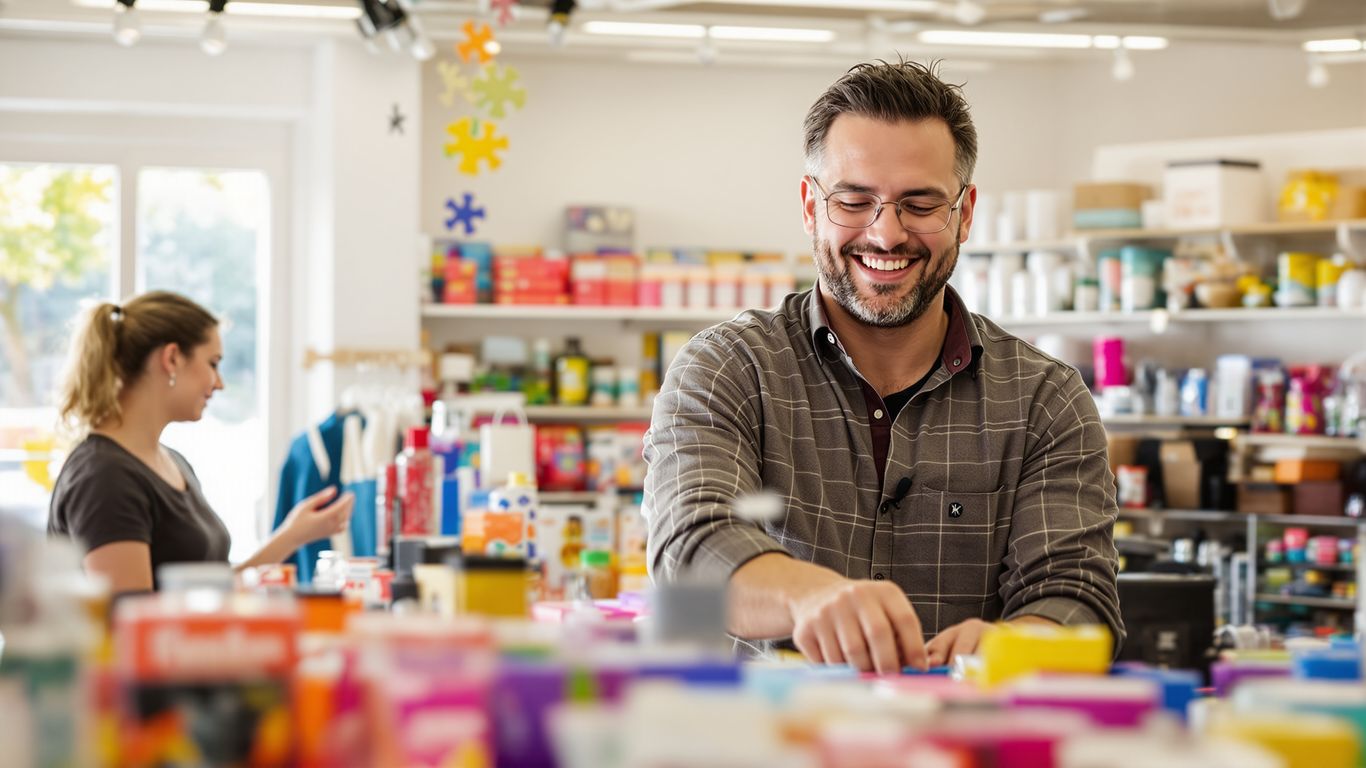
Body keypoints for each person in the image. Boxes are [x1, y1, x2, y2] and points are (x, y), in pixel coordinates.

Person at [643, 59, 1122, 674]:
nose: (887, 234)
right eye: (854, 200)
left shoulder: (1044, 400)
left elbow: (1078, 596)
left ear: (965, 213)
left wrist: (1020, 642)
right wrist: (813, 596)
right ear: (811, 208)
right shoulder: (728, 368)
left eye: (920, 204)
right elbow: (691, 551)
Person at [47, 291, 353, 594]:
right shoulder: (104, 476)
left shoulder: (171, 461)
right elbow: (130, 619)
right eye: (213, 363)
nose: (219, 383)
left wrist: (291, 536)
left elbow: (207, 590)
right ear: (172, 359)